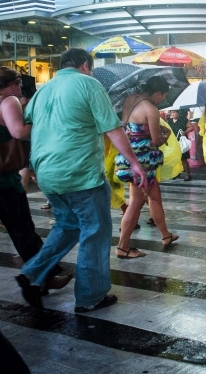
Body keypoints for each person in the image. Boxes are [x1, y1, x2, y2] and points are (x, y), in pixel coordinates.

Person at [16, 48, 147, 312]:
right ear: (85, 65)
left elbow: (26, 128)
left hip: (47, 173)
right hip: (80, 173)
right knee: (95, 231)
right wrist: (134, 162)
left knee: (68, 224)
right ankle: (91, 296)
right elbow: (111, 127)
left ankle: (32, 273)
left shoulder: (42, 90)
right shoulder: (89, 84)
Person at [0, 67, 72, 296]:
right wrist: (39, 121)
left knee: (22, 231)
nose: (20, 88)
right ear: (12, 84)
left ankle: (43, 276)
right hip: (5, 181)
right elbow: (19, 132)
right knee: (23, 231)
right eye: (18, 84)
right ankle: (41, 277)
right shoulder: (8, 100)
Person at [115, 76, 179, 259]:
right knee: (136, 202)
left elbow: (128, 127)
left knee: (154, 196)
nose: (163, 100)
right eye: (163, 96)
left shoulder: (129, 100)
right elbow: (156, 141)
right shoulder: (151, 109)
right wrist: (165, 136)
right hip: (143, 161)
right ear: (157, 93)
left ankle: (166, 235)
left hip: (128, 154)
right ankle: (122, 246)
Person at [167, 108, 195, 181]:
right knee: (174, 158)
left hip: (181, 142)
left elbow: (192, 127)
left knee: (183, 159)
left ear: (178, 113)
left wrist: (185, 132)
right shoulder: (169, 121)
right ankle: (176, 173)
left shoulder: (183, 120)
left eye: (174, 112)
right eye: (171, 112)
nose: (172, 114)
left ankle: (188, 174)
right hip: (173, 142)